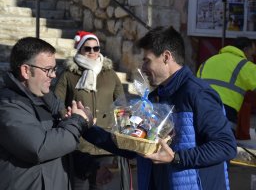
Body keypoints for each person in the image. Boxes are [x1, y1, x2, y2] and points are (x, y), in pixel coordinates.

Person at [133, 26, 237, 190]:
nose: (143, 67)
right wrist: (84, 125)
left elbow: (226, 146)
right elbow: (136, 146)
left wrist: (176, 158)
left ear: (166, 57)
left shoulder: (197, 93)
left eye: (147, 60)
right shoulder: (155, 98)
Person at [0, 37, 98, 190]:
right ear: (26, 71)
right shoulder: (8, 105)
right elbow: (39, 148)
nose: (53, 75)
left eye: (54, 69)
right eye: (47, 70)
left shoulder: (46, 98)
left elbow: (57, 150)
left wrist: (90, 166)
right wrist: (77, 121)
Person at [54, 31, 131, 190]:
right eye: (87, 48)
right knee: (79, 185)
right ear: (79, 49)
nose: (92, 52)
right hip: (79, 143)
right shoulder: (69, 74)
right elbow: (57, 102)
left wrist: (125, 131)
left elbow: (121, 104)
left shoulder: (110, 74)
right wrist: (68, 119)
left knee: (100, 186)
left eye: (96, 48)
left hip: (105, 142)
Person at [197, 37, 256, 134]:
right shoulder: (245, 65)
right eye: (252, 54)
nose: (252, 58)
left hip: (199, 111)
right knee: (222, 148)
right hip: (224, 115)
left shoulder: (208, 61)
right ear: (245, 50)